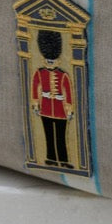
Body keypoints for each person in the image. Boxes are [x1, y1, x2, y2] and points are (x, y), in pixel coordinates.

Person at [31, 29, 74, 169]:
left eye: (52, 60)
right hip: (46, 109)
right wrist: (36, 104)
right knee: (48, 135)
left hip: (60, 110)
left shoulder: (63, 75)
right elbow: (35, 88)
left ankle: (63, 159)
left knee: (61, 136)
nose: (50, 62)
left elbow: (68, 92)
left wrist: (69, 109)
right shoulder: (39, 73)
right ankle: (51, 158)